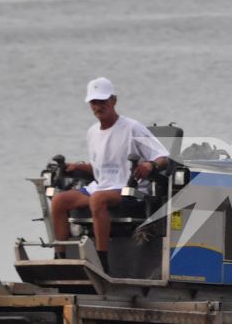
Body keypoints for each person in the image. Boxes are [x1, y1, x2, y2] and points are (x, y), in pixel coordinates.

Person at [48, 77, 171, 259]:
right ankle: (60, 258)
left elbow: (164, 157)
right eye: (94, 102)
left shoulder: (132, 128)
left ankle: (101, 260)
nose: (98, 107)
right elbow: (101, 170)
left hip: (129, 190)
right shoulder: (92, 132)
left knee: (97, 200)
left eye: (102, 101)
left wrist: (150, 164)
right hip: (100, 187)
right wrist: (78, 167)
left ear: (113, 100)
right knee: (59, 201)